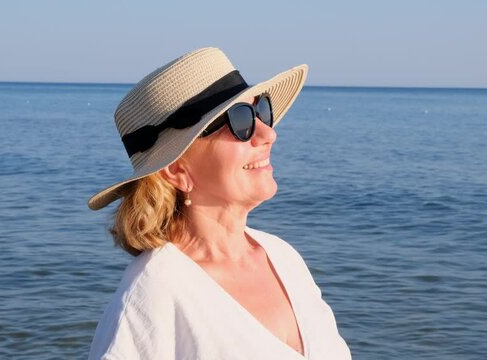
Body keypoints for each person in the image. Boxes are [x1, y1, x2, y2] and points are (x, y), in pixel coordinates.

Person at [87, 47, 351, 360]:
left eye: (260, 111)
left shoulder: (283, 258)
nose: (268, 134)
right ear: (177, 169)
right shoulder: (154, 292)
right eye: (240, 121)